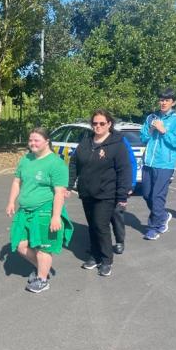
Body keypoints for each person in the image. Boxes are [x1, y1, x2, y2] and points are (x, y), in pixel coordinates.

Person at [6, 127, 73, 293]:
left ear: (46, 141)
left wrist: (56, 216)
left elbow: (59, 193)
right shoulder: (26, 159)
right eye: (30, 140)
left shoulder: (56, 164)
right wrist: (11, 202)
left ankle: (42, 279)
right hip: (24, 211)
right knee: (20, 245)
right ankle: (43, 268)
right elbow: (16, 182)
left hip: (44, 212)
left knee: (43, 248)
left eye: (36, 140)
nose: (32, 143)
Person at [68, 109, 131, 277]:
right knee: (92, 226)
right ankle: (94, 255)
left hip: (106, 193)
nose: (98, 126)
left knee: (101, 226)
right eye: (95, 123)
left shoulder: (117, 144)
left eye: (102, 123)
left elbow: (124, 171)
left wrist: (122, 196)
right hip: (87, 192)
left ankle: (106, 260)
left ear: (109, 124)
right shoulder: (86, 141)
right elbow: (74, 162)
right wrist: (69, 185)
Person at [140, 88, 176, 240]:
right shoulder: (151, 117)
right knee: (146, 194)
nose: (163, 102)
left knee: (157, 196)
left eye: (167, 100)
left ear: (173, 102)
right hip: (148, 162)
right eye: (161, 99)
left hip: (165, 164)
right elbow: (143, 137)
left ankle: (154, 227)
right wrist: (151, 129)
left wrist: (163, 131)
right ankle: (163, 216)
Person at [110, 136, 137, 254]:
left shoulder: (120, 140)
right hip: (99, 185)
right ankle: (97, 242)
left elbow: (131, 162)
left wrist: (131, 184)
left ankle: (120, 241)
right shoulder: (91, 139)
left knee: (116, 213)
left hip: (118, 184)